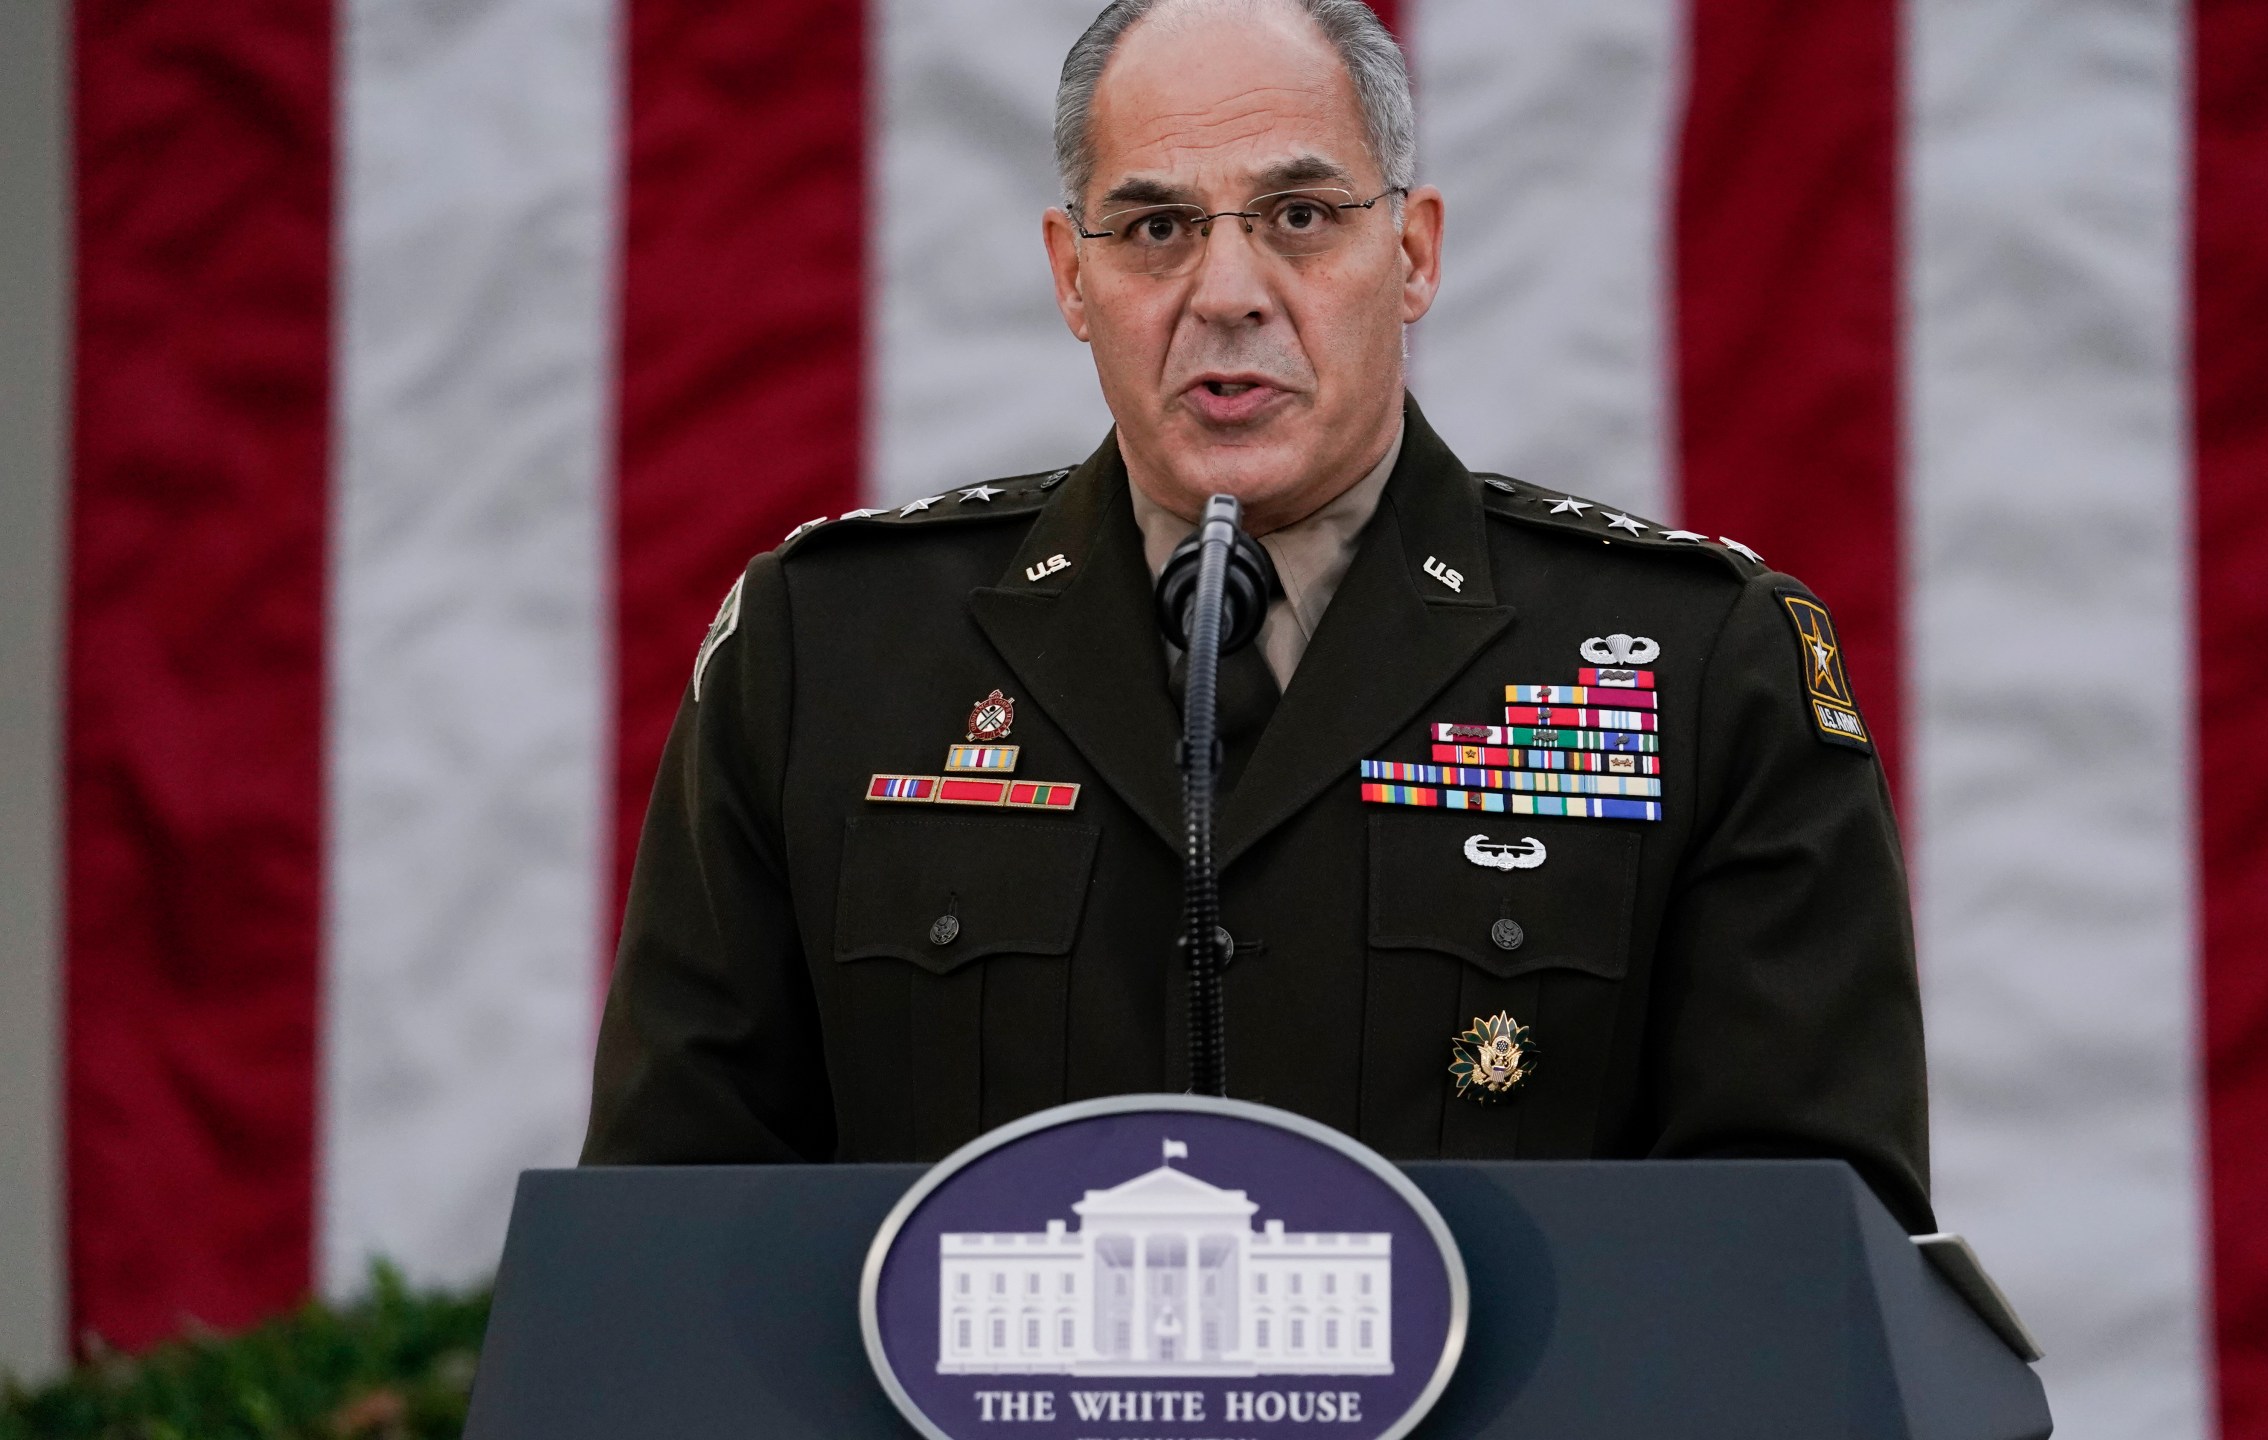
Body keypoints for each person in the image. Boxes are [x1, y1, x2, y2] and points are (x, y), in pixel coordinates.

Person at [582, 0, 1933, 1231]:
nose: (1226, 294)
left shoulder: (1701, 666)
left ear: (1410, 254)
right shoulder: (826, 655)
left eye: (1299, 215)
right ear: (1072, 276)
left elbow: (1803, 1270)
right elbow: (672, 1252)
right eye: (1158, 227)